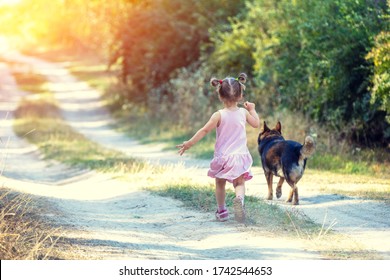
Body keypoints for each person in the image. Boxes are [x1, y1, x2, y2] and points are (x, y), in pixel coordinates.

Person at [176, 73, 260, 223]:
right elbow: (256, 124)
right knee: (239, 183)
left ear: (220, 96)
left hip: (223, 157)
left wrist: (189, 143)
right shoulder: (243, 113)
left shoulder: (218, 115)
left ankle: (222, 211)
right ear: (240, 95)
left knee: (220, 183)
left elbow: (204, 130)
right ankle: (239, 202)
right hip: (239, 156)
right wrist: (252, 109)